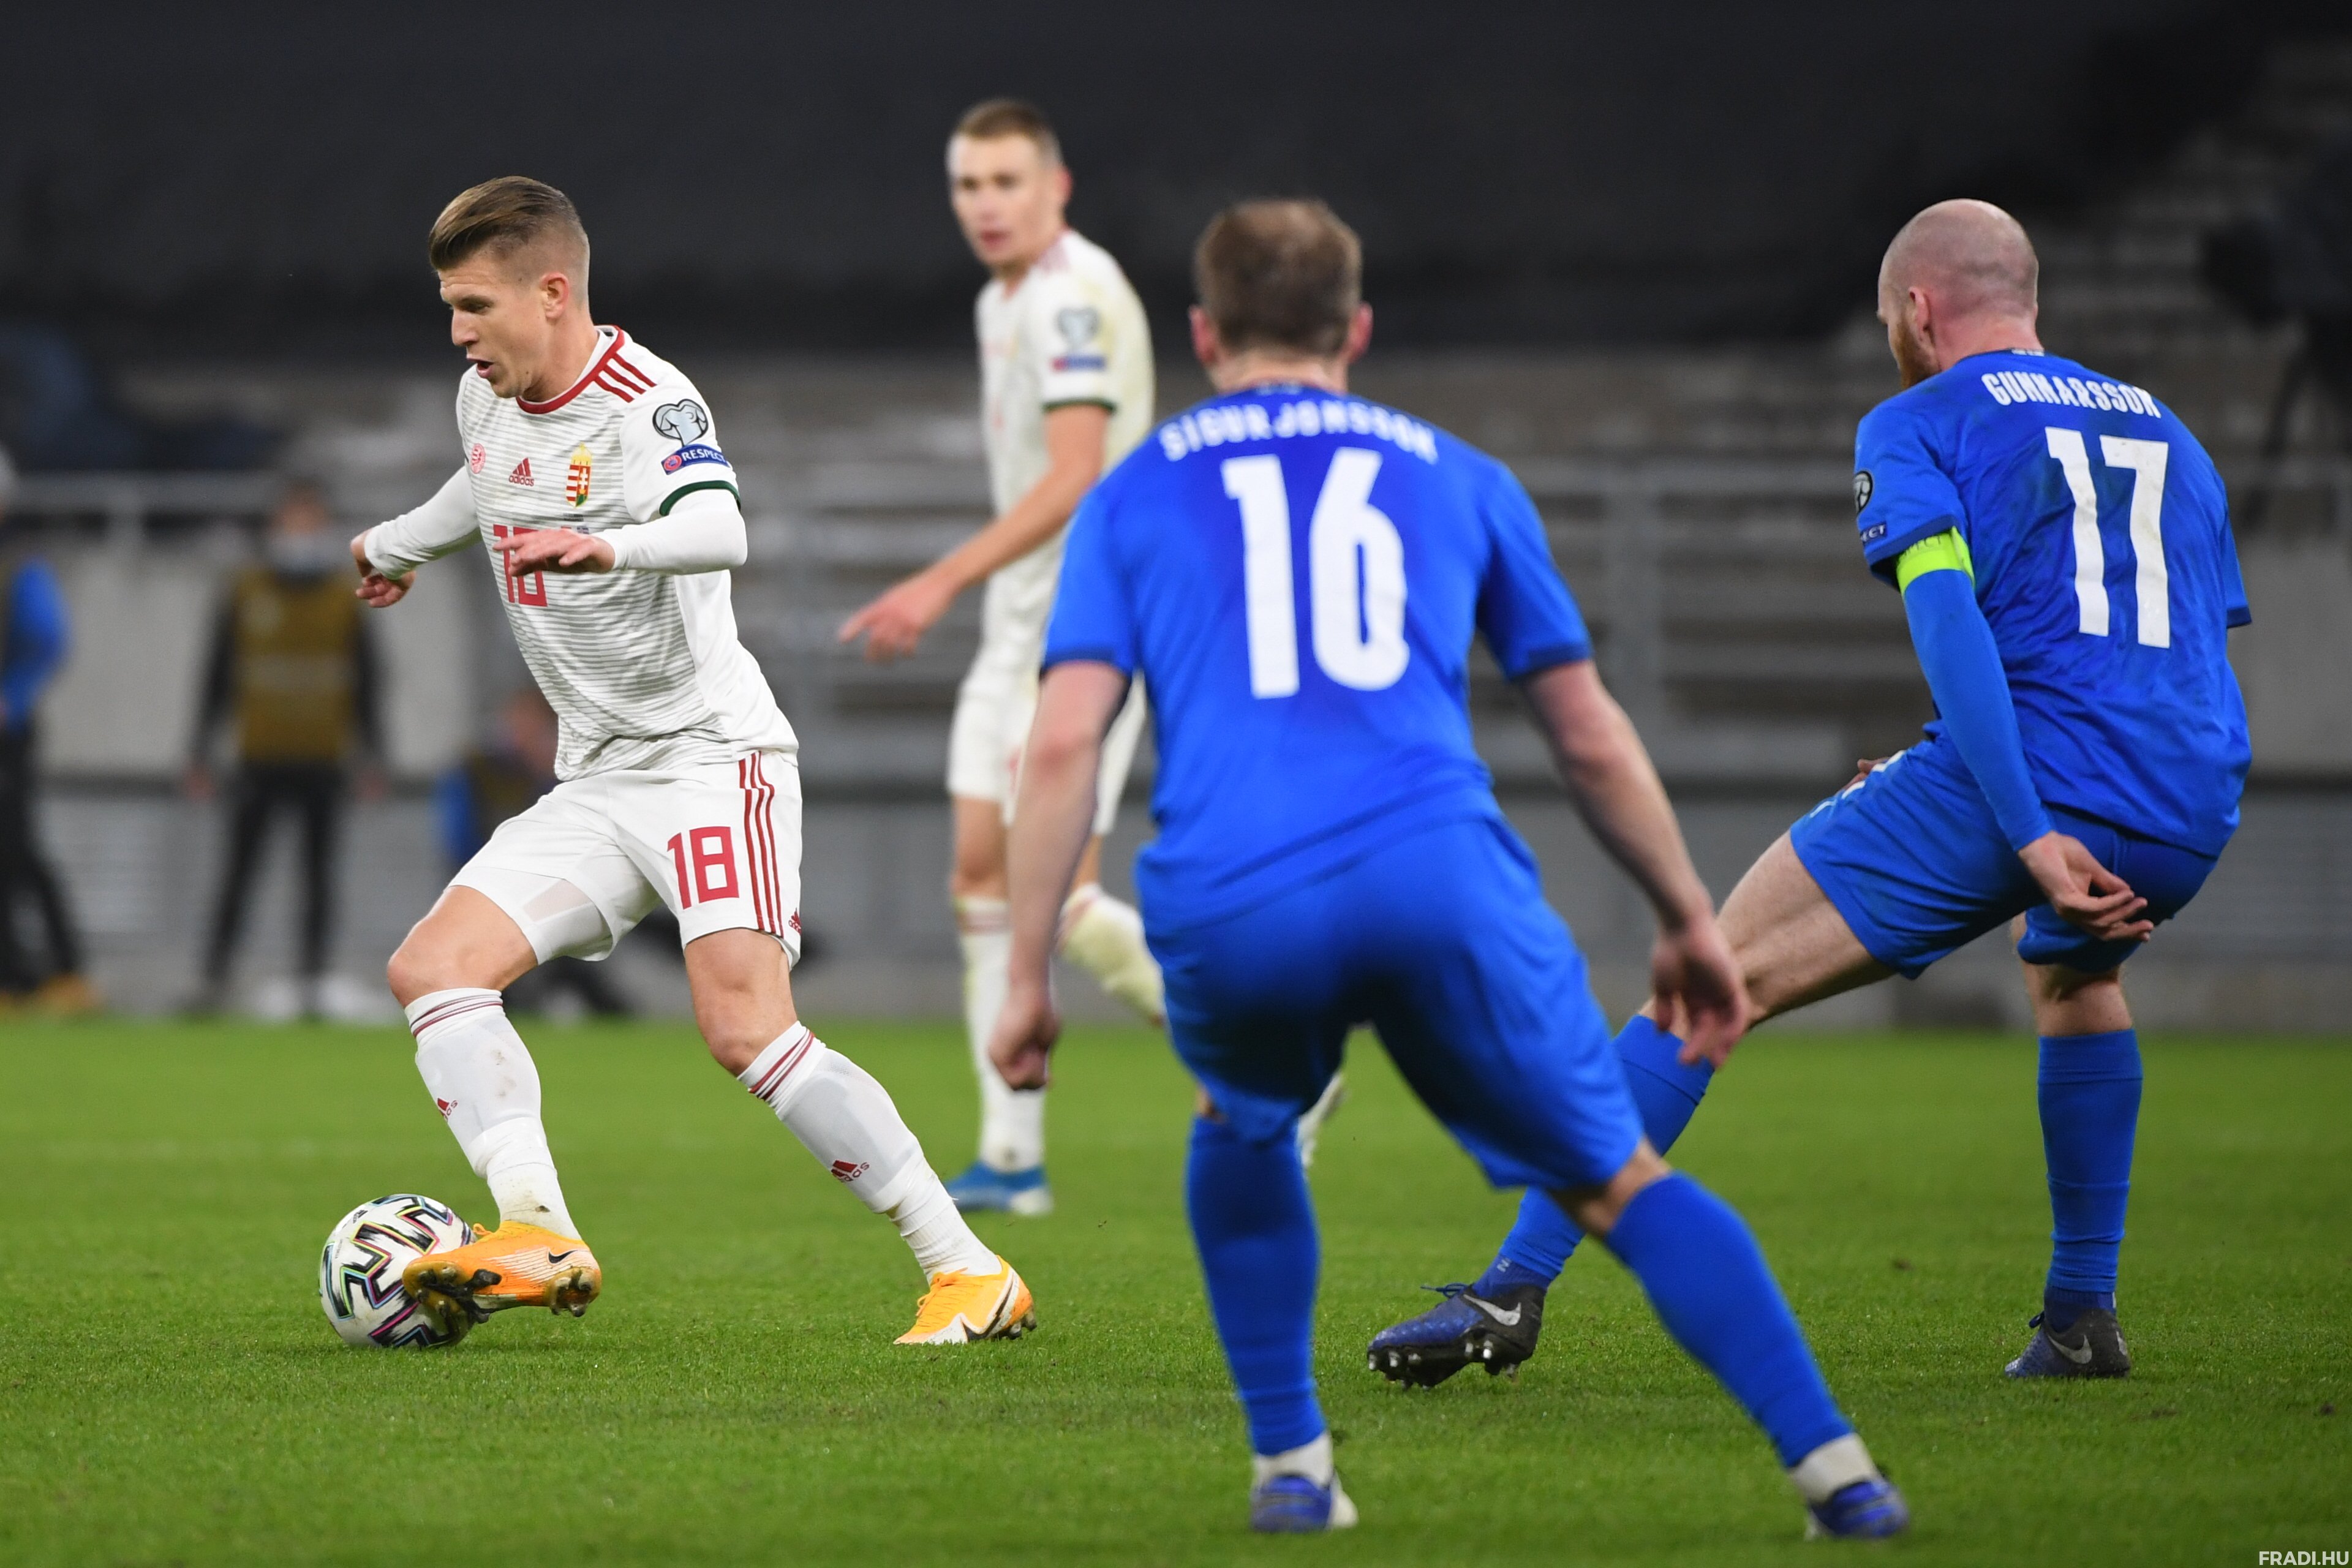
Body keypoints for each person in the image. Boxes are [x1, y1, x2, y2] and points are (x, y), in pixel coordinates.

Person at [988, 199, 1908, 1537]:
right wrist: (1685, 916)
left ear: (1205, 334)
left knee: (1240, 1123)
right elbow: (1586, 733)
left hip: (1237, 891)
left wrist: (1026, 971)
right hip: (1436, 873)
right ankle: (1839, 1474)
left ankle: (1293, 1468)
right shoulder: (1462, 476)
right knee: (1617, 1180)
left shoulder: (1132, 491)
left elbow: (1067, 738)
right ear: (1357, 328)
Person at [1368, 198, 2248, 1387]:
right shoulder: (2170, 432)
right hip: (2189, 795)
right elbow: (2176, 647)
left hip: (2044, 788)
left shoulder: (1920, 419)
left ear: (1918, 311)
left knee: (1709, 981)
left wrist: (2027, 824)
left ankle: (1511, 1287)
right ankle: (2081, 1319)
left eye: (1891, 323)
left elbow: (1948, 618)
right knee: (2075, 976)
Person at [352, 176, 1028, 1347]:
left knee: (746, 1030)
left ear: (551, 293)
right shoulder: (484, 398)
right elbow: (487, 479)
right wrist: (399, 545)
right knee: (436, 969)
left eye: (475, 306)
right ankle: (538, 1231)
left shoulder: (650, 401)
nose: (457, 332)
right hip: (599, 776)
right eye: (449, 308)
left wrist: (609, 547)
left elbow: (722, 527)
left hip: (713, 763)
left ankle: (967, 1269)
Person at [837, 99, 1170, 1216]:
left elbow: (1077, 472)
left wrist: (937, 581)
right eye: (969, 185)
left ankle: (1275, 1075)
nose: (986, 204)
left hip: (1086, 629)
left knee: (1057, 893)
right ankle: (1012, 1156)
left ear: (1056, 186)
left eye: (1007, 181)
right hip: (1019, 627)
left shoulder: (1072, 294)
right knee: (981, 876)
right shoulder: (1003, 299)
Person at [187, 480, 385, 1016]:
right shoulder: (246, 590)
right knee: (239, 872)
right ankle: (214, 978)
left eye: (310, 522)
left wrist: (374, 754)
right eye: (291, 522)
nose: (300, 533)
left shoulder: (345, 597)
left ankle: (313, 979)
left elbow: (368, 679)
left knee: (318, 876)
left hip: (324, 757)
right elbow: (216, 674)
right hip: (259, 756)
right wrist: (200, 751)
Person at [437, 687, 630, 1017]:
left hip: (546, 894)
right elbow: (459, 835)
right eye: (519, 721)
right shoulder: (478, 769)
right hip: (489, 888)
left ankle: (609, 1013)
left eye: (534, 724)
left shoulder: (557, 776)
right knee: (501, 982)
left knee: (571, 968)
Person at [0, 443, 98, 1013]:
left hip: (8, 733)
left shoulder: (19, 563)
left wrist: (12, 697)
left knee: (18, 848)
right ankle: (12, 973)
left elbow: (49, 639)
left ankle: (65, 968)